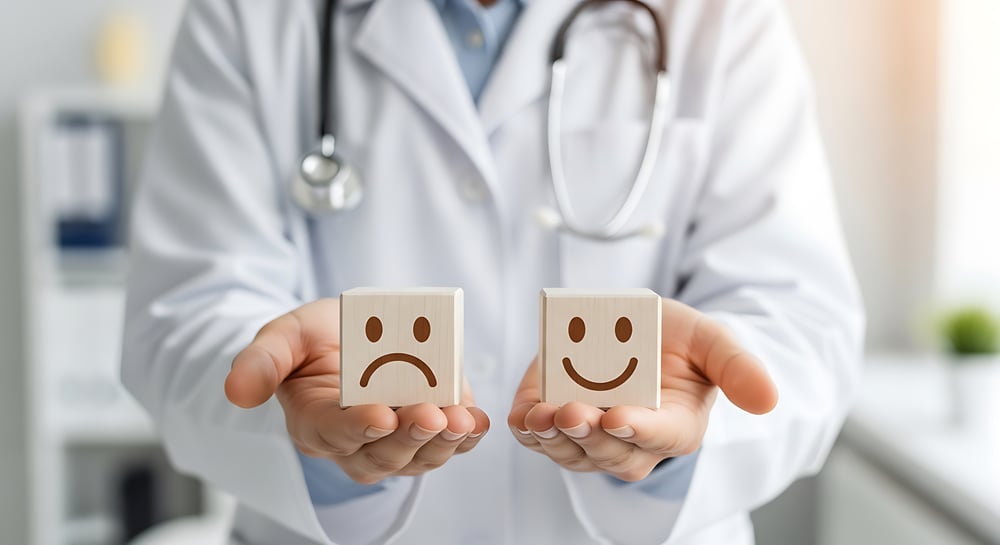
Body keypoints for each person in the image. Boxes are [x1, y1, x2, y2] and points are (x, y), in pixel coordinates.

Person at [121, 0, 864, 543]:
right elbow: (186, 308)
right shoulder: (252, 17)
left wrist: (681, 437)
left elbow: (801, 322)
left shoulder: (720, 17)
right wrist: (300, 413)